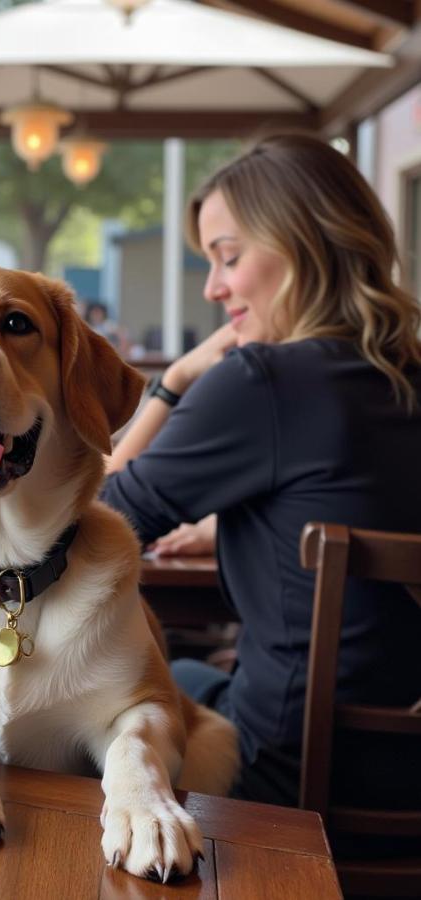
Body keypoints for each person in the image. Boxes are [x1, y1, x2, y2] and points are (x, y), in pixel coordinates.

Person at [101, 133, 421, 809]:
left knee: (119, 704)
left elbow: (92, 516)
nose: (214, 287)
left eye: (228, 258)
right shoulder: (404, 371)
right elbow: (374, 515)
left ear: (303, 243)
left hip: (292, 768)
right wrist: (246, 535)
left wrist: (178, 379)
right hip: (402, 764)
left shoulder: (262, 382)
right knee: (186, 671)